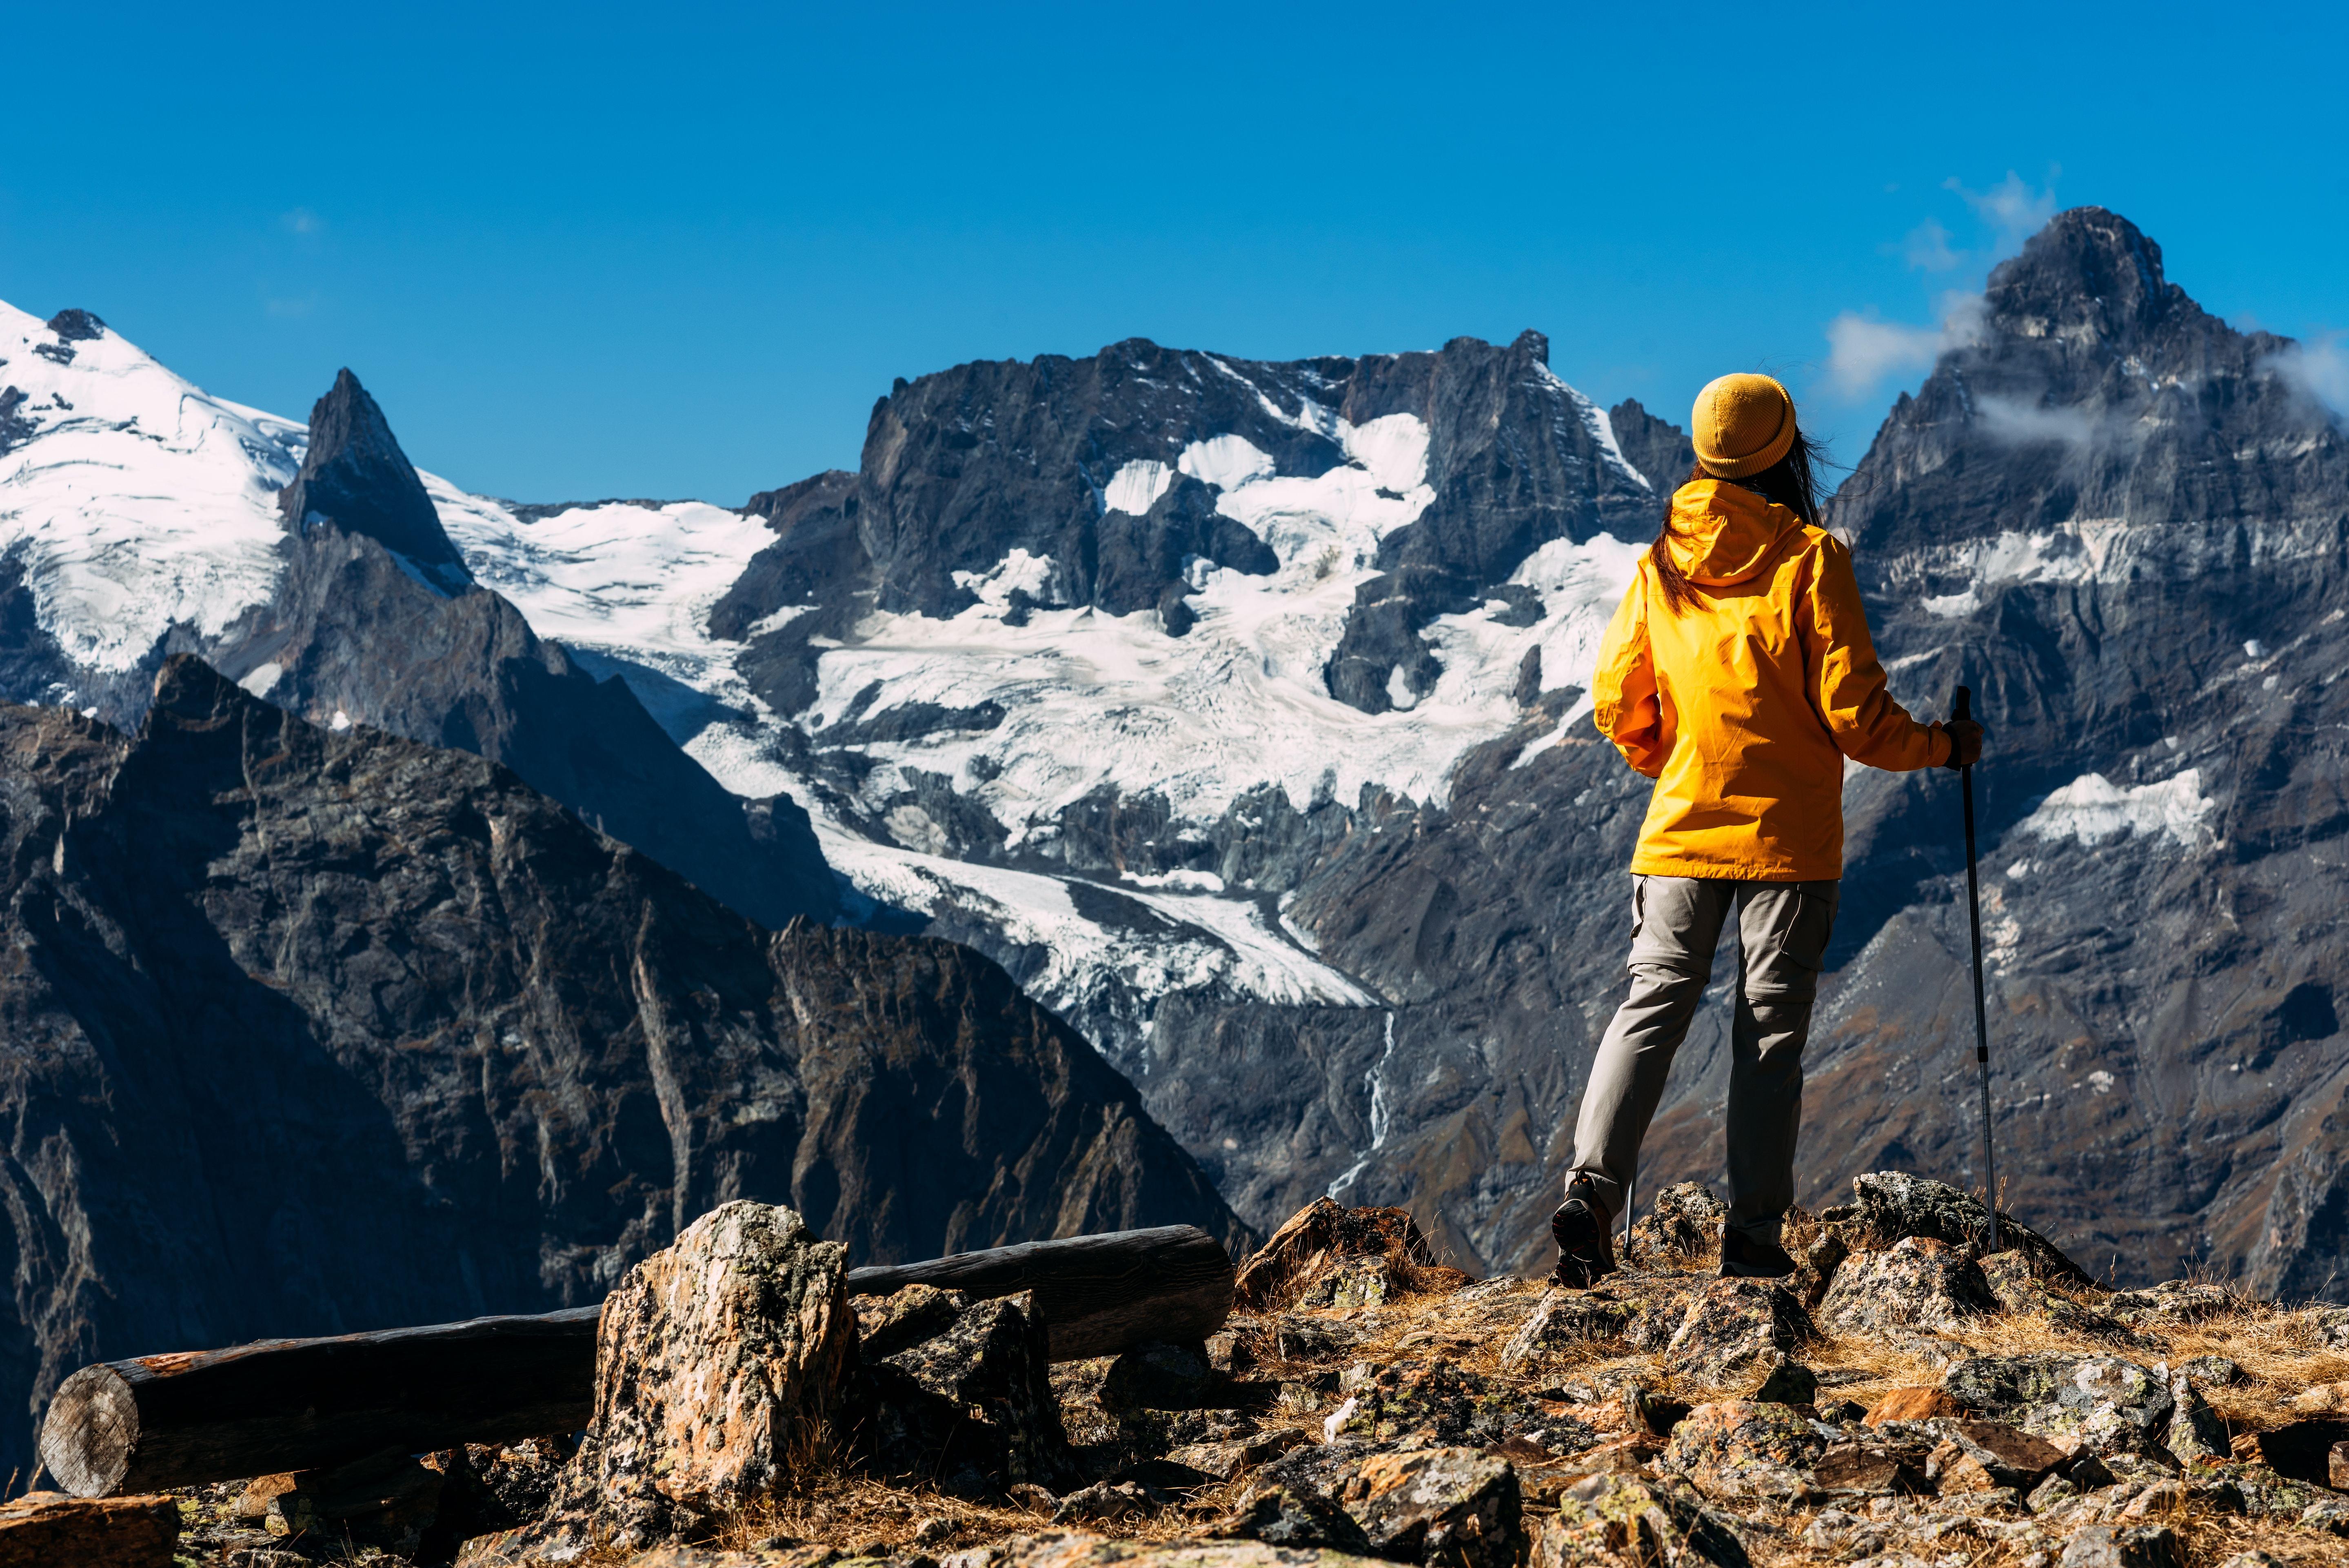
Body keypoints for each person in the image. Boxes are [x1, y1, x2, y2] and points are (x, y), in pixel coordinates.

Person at [1554, 372, 1983, 1286]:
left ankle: (1589, 1194)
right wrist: (1944, 747)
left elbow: (1615, 702)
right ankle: (1751, 1241)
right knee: (1768, 1035)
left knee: (1651, 1005)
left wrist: (1673, 758)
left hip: (1677, 833)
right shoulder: (1810, 558)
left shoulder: (1659, 564)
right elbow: (1857, 720)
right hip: (1787, 847)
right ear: (1785, 450)